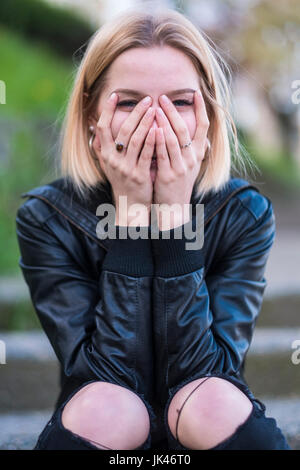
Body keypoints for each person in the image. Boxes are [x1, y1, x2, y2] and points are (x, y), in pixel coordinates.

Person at [15, 5, 291, 450]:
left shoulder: (243, 214)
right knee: (107, 409)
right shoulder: (48, 219)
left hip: (204, 409)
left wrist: (176, 219)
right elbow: (100, 379)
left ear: (209, 120)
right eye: (129, 102)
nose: (155, 125)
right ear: (91, 115)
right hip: (104, 417)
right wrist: (130, 217)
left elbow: (212, 373)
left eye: (180, 102)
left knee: (215, 403)